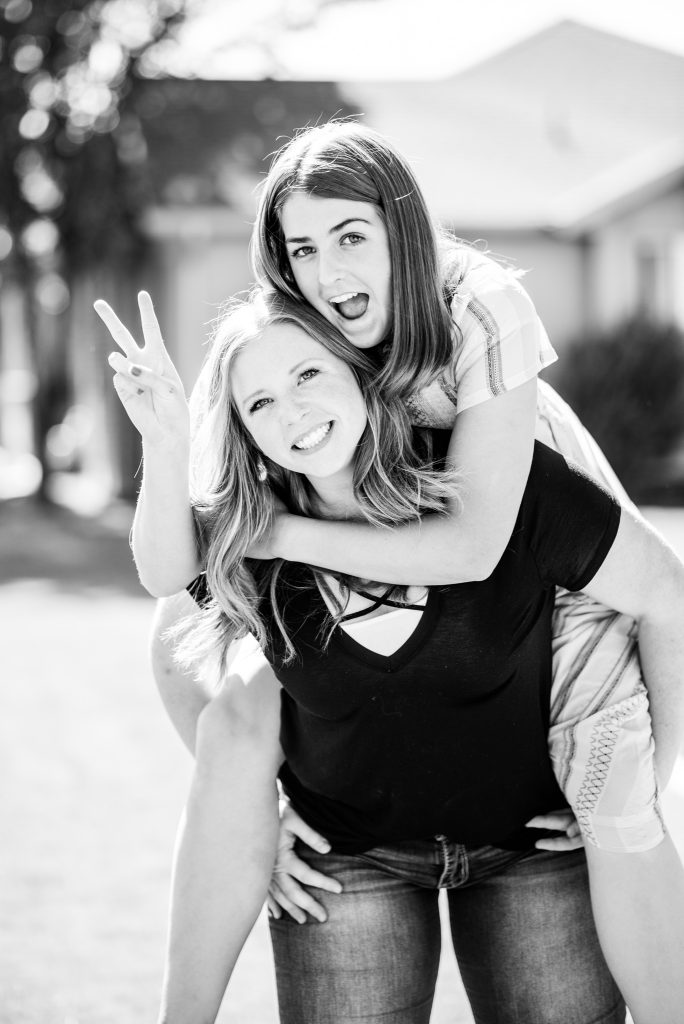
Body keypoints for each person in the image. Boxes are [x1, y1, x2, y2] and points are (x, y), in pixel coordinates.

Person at [94, 122, 684, 1020]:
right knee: (242, 713)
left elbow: (482, 546)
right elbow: (170, 598)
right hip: (354, 845)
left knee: (613, 789)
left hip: (538, 572)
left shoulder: (484, 331)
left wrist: (655, 770)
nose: (328, 272)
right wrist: (173, 445)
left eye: (351, 236)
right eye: (303, 249)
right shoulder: (279, 450)